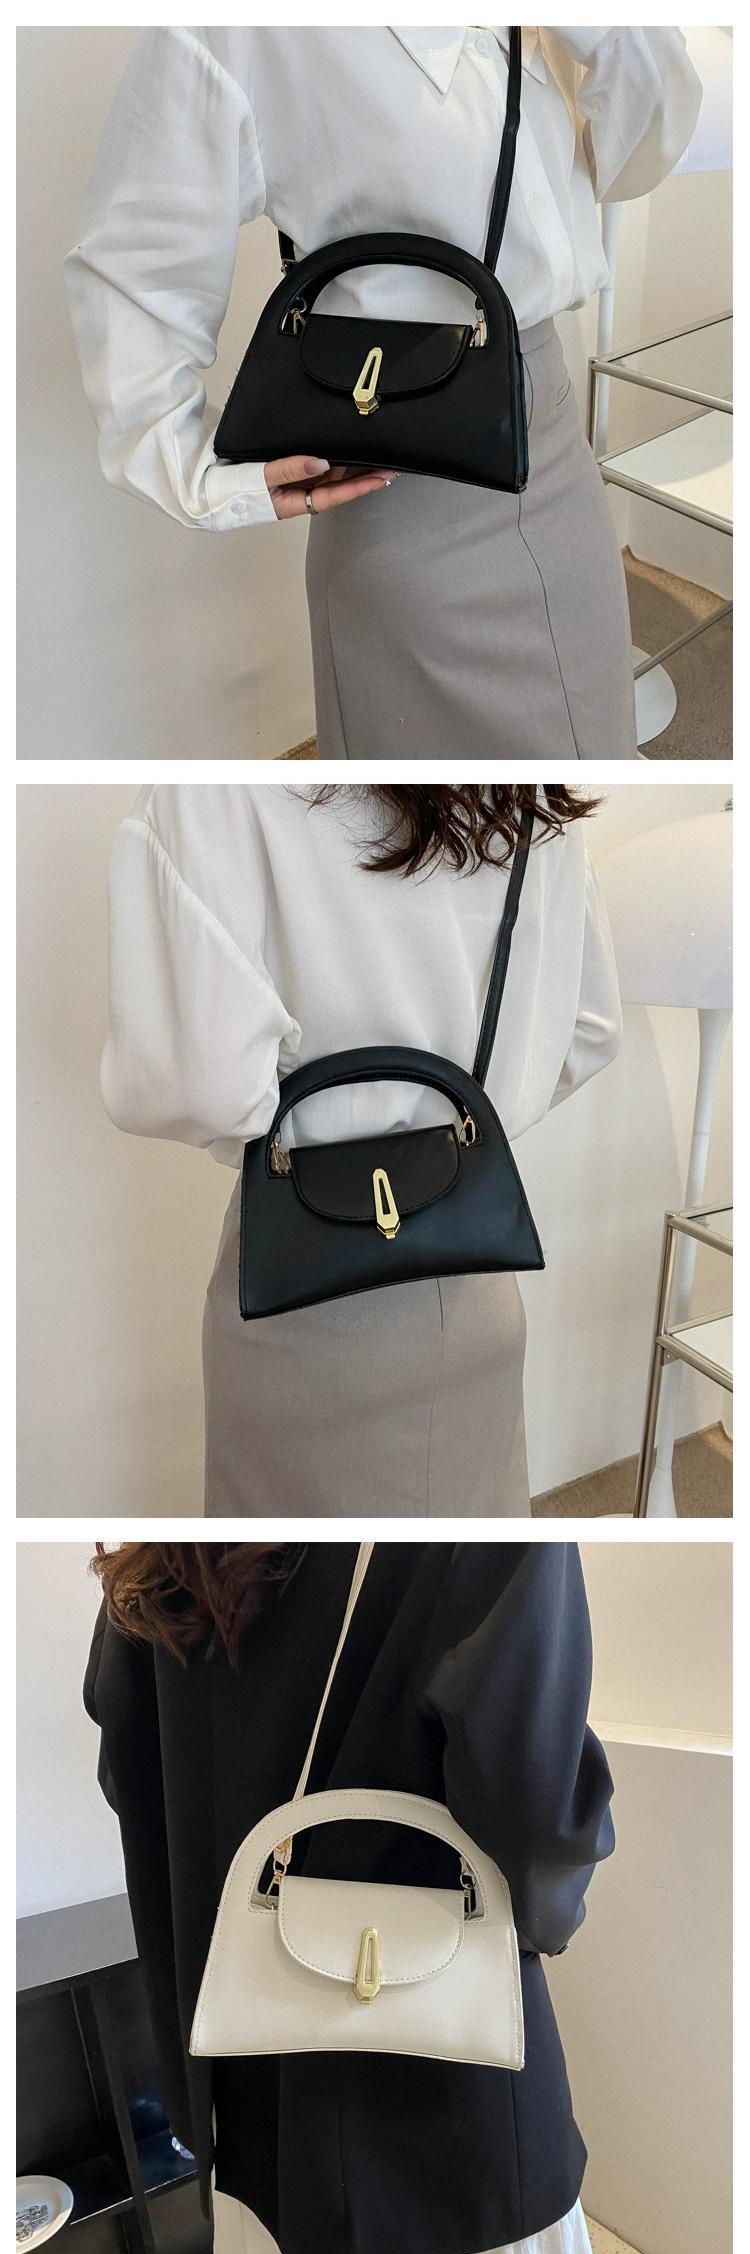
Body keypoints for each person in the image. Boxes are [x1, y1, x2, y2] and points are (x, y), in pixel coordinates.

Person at [65, 26, 702, 761]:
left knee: (591, 755)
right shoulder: (242, 31)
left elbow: (638, 156)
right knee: (419, 792)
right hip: (400, 480)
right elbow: (133, 270)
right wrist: (199, 475)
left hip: (554, 436)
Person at [84, 1537, 615, 2254]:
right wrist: (555, 1913)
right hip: (449, 2143)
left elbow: (132, 1782)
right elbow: (537, 1821)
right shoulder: (470, 1520)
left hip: (245, 2117)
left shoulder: (158, 1556)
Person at [102, 781, 622, 1516]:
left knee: (278, 1558)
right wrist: (465, 1112)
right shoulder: (529, 797)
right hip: (473, 1285)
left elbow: (202, 1086)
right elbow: (591, 1028)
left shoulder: (208, 800)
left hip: (304, 1313)